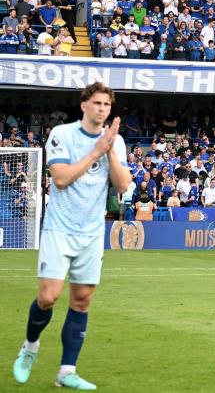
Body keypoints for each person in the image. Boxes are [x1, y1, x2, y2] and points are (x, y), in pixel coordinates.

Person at [13, 82, 131, 390]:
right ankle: (30, 346)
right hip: (60, 228)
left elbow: (122, 186)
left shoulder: (115, 142)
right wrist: (96, 150)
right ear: (84, 105)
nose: (102, 109)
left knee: (82, 300)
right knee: (48, 297)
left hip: (91, 232)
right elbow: (62, 179)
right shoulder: (62, 134)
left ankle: (66, 372)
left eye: (106, 105)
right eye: (96, 103)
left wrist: (110, 151)